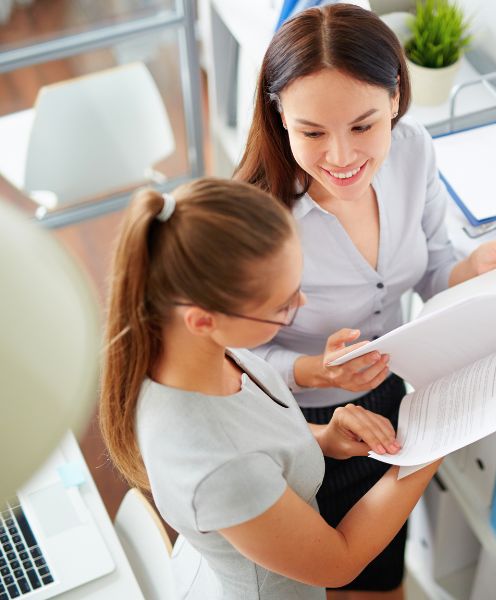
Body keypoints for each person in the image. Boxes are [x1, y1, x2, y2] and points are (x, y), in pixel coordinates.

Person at [235, 5, 496, 597]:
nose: (343, 156)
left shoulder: (413, 152)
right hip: (296, 423)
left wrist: (470, 267)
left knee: (382, 580)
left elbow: (430, 266)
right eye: (312, 132)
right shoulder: (257, 217)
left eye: (363, 125)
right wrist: (310, 369)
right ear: (279, 117)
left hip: (389, 398)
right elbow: (229, 366)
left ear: (397, 98)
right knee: (320, 578)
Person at [98, 178, 442, 599]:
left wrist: (323, 437)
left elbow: (253, 438)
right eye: (281, 305)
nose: (301, 305)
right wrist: (431, 446)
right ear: (203, 320)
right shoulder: (216, 466)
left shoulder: (197, 355)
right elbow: (340, 561)